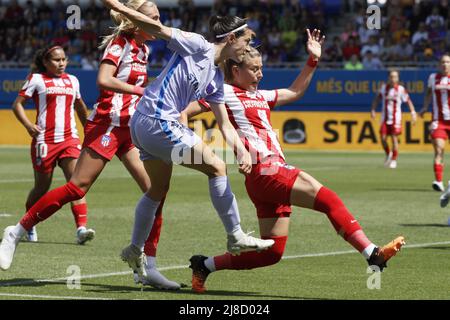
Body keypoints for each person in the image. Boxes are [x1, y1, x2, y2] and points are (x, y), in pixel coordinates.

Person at [183, 35, 405, 293]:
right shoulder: (224, 93)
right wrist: (187, 142)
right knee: (328, 199)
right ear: (236, 70)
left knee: (272, 253)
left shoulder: (261, 96)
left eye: (262, 68)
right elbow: (187, 111)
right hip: (265, 170)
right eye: (254, 69)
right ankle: (372, 253)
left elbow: (295, 91)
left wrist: (313, 59)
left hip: (265, 179)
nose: (260, 74)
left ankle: (204, 265)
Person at [0, 0, 180, 290]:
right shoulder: (119, 44)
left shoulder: (144, 48)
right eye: (154, 17)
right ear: (135, 21)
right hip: (108, 124)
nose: (159, 22)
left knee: (155, 191)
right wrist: (140, 89)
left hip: (130, 128)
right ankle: (16, 231)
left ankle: (145, 264)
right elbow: (104, 79)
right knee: (77, 188)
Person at [99, 0, 275, 283]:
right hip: (157, 120)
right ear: (231, 39)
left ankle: (134, 249)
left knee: (156, 190)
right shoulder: (198, 45)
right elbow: (155, 27)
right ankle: (235, 236)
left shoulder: (216, 78)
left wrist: (240, 150)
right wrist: (116, 5)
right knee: (216, 167)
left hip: (143, 124)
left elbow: (224, 123)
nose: (248, 46)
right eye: (246, 40)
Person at [11, 44, 92, 244]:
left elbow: (80, 107)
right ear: (46, 62)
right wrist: (29, 125)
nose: (62, 63)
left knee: (76, 183)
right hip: (44, 141)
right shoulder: (36, 79)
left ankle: (81, 228)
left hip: (69, 139)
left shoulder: (72, 80)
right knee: (41, 188)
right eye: (57, 60)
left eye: (64, 59)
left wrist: (89, 130)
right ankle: (28, 224)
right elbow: (17, 104)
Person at [370, 70, 417, 169]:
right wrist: (373, 110)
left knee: (394, 139)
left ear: (398, 78)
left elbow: (408, 101)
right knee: (382, 139)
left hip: (396, 119)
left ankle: (394, 160)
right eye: (391, 77)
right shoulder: (384, 88)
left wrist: (413, 113)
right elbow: (377, 99)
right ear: (388, 78)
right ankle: (388, 153)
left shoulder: (400, 89)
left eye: (395, 77)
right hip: (385, 118)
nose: (393, 79)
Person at [418, 54, 450, 193]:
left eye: (448, 62)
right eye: (443, 62)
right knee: (438, 149)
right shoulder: (433, 78)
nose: (445, 64)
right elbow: (428, 93)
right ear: (439, 64)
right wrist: (425, 107)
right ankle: (438, 181)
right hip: (438, 120)